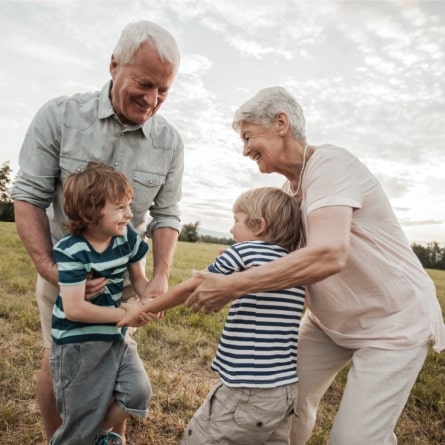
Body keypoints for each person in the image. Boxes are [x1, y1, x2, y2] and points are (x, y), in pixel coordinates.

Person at [184, 86, 445, 445]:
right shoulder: (289, 192)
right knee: (282, 400)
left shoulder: (331, 164)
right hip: (329, 322)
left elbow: (329, 253)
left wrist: (234, 286)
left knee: (353, 439)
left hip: (394, 322)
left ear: (281, 123)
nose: (244, 149)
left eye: (248, 136)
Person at [11, 20, 183, 444]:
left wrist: (158, 276)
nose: (152, 99)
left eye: (163, 90)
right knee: (60, 364)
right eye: (144, 84)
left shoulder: (170, 143)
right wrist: (53, 270)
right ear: (113, 65)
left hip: (124, 280)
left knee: (120, 370)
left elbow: (167, 215)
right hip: (65, 272)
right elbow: (28, 195)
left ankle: (104, 440)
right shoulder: (60, 116)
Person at [119, 187, 306, 445]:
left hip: (247, 389)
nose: (231, 230)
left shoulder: (245, 252)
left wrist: (141, 309)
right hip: (285, 390)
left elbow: (189, 287)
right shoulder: (294, 265)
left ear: (259, 226)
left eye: (236, 220)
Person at [50, 163, 158, 445]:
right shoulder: (71, 250)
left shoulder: (126, 237)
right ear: (90, 213)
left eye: (129, 205)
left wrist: (150, 300)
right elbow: (75, 309)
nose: (129, 214)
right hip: (77, 345)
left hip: (116, 336)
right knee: (77, 425)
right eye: (120, 207)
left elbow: (138, 278)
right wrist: (125, 313)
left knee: (138, 393)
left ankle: (98, 434)